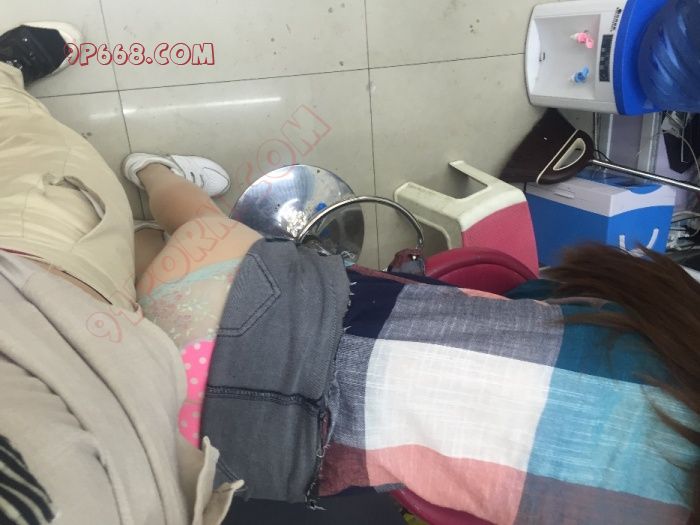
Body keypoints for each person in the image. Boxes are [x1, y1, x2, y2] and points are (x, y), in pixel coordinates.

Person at [0, 21, 698, 525]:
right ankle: (133, 246)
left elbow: (535, 288)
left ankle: (152, 173)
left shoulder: (675, 337)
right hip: (226, 445)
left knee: (201, 242)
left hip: (274, 300)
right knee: (117, 286)